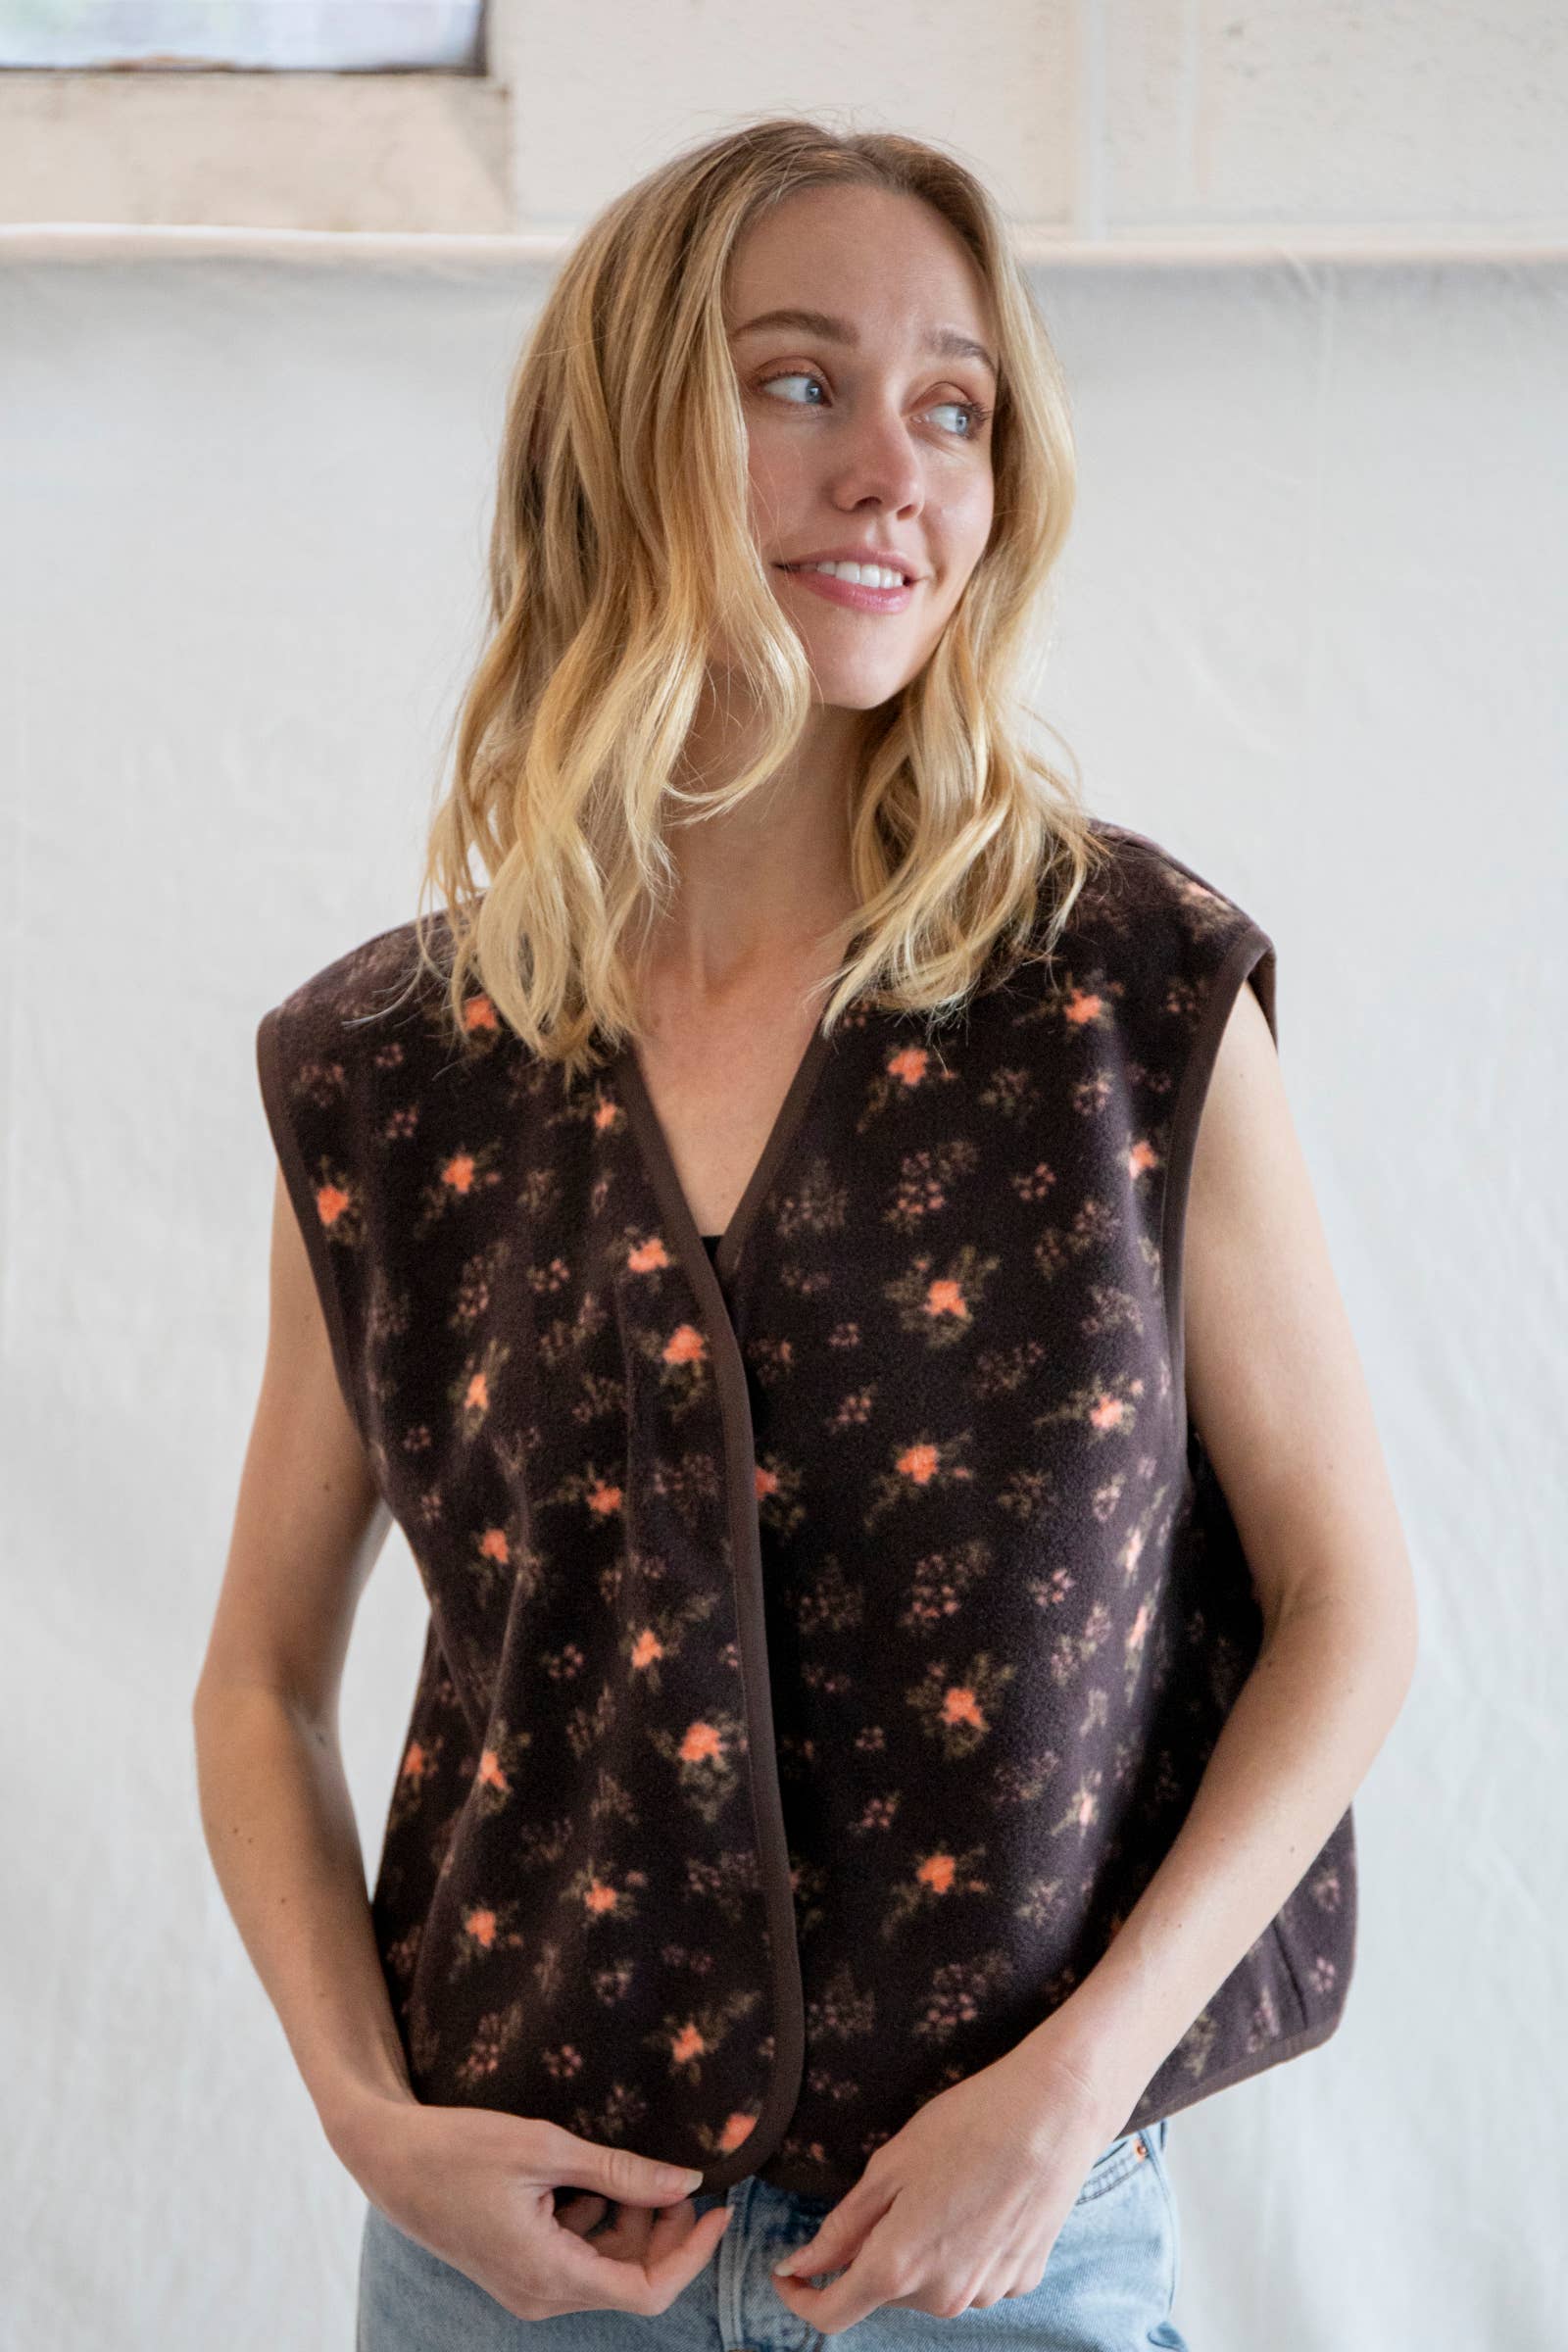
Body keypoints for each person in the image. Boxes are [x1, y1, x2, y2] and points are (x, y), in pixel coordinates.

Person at [194, 117, 1418, 2349]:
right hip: (513, 2265)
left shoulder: (1130, 1002)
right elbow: (262, 1676)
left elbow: (1351, 1608)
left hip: (997, 2257)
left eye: (952, 408)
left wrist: (1070, 2096)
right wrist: (368, 2119)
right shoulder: (382, 1075)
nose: (889, 474)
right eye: (795, 384)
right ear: (619, 437)